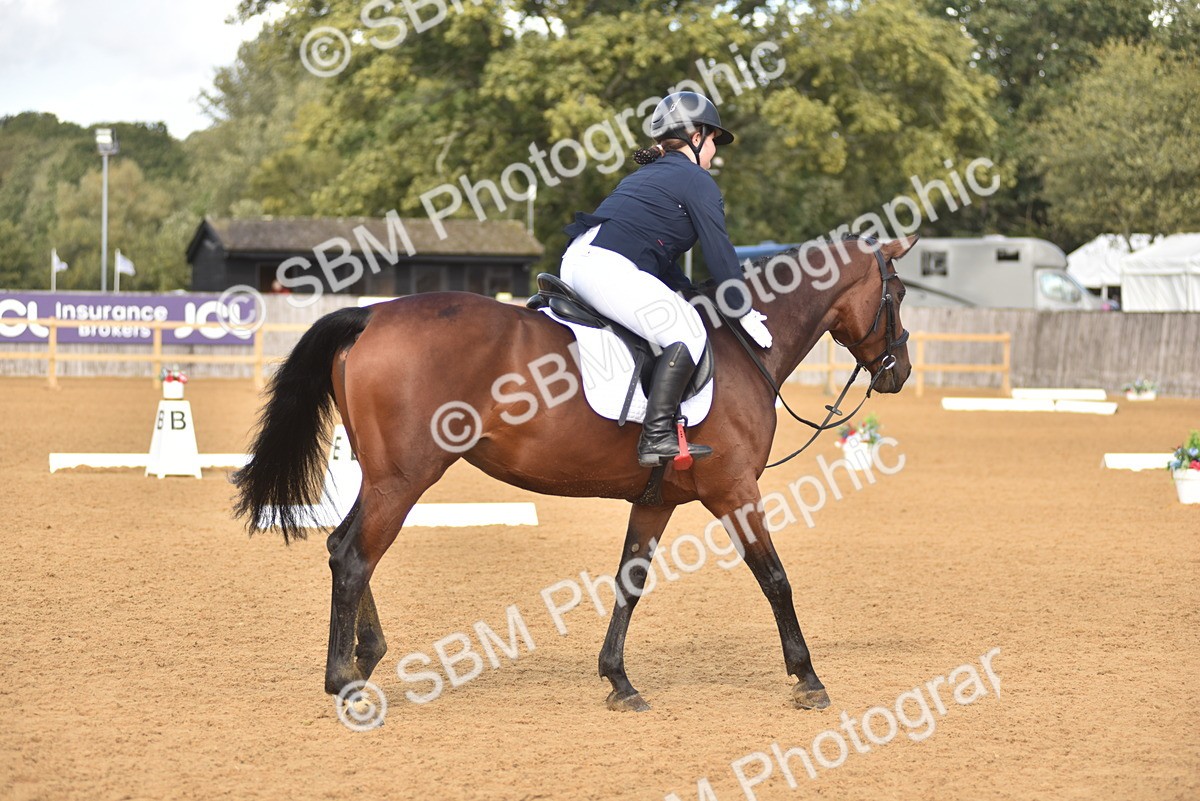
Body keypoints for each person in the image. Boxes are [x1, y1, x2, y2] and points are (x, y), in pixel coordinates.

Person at [558, 91, 772, 468]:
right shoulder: (696, 180)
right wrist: (742, 308)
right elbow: (719, 251)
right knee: (686, 331)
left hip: (580, 260)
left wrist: (687, 291)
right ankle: (656, 438)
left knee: (667, 317)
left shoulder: (649, 174)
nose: (714, 154)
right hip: (606, 265)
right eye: (713, 144)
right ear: (695, 137)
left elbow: (655, 255)